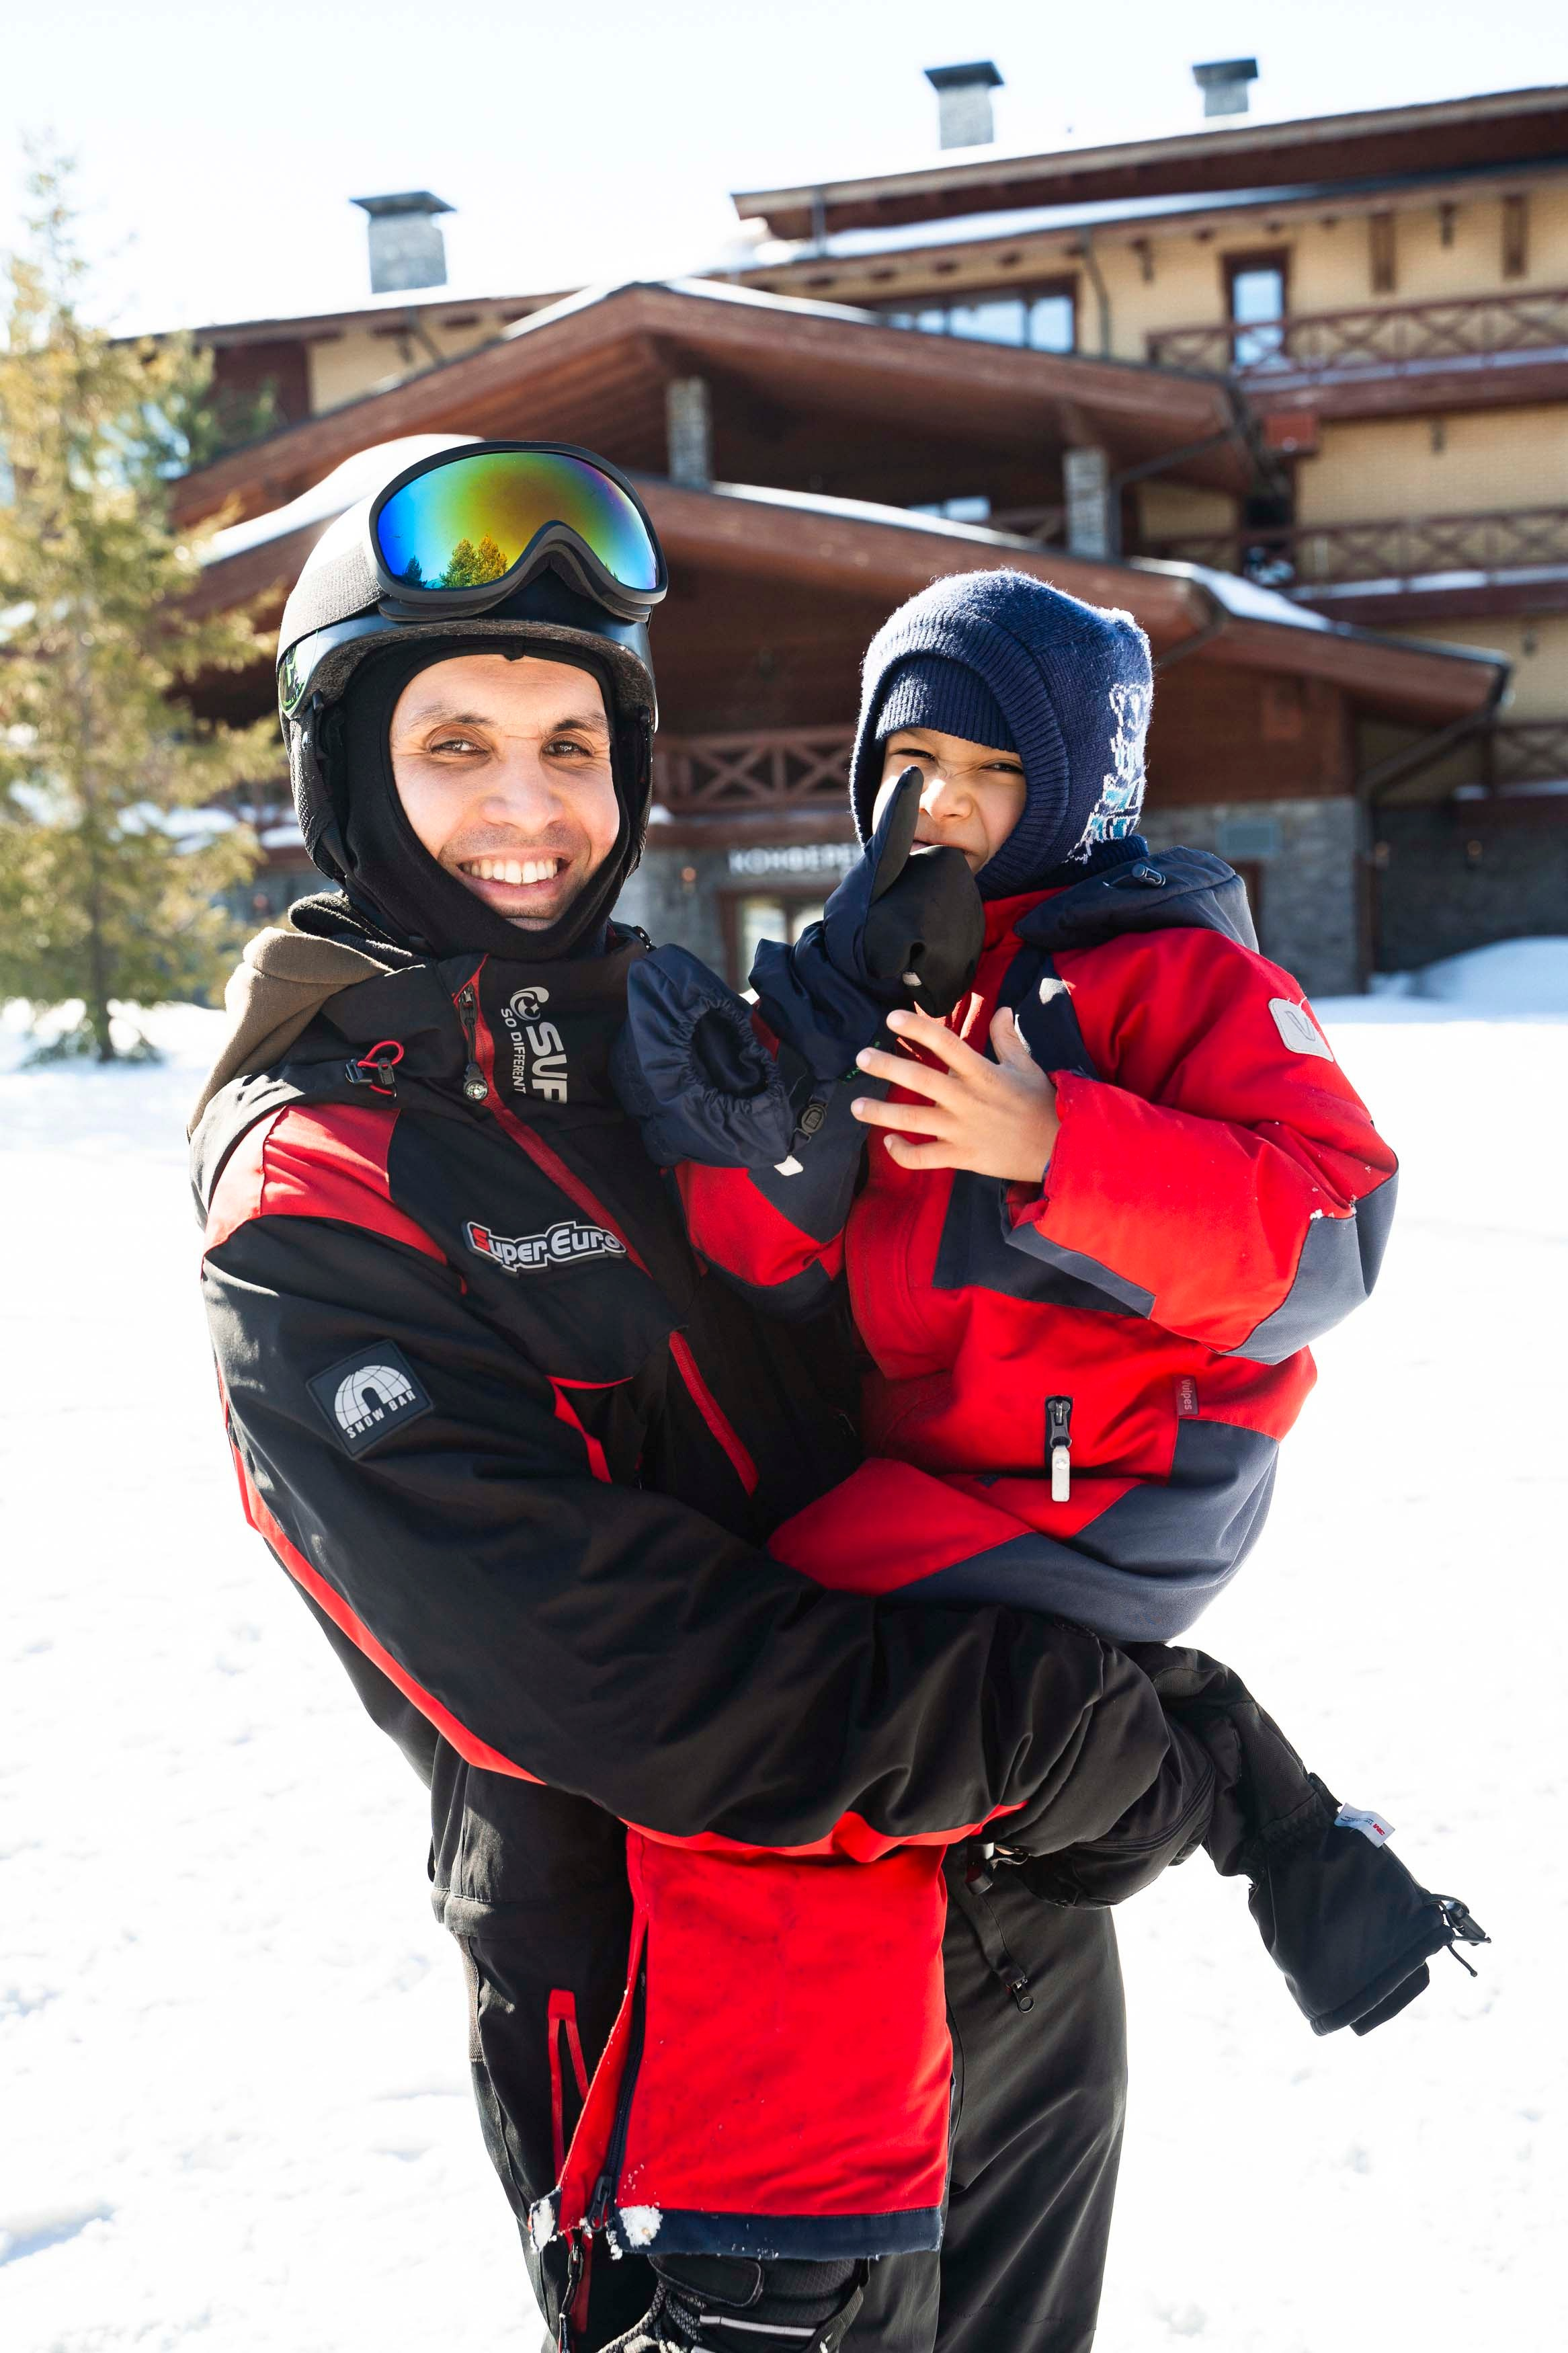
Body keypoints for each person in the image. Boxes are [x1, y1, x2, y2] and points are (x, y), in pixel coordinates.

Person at [190, 444, 1252, 2353]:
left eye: (572, 745)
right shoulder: (318, 1192)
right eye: (456, 748)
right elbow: (614, 1671)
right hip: (709, 2052)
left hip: (1000, 1951)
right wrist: (1046, 1726)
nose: (528, 807)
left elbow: (944, 1379)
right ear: (346, 763)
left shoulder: (681, 1045)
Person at [602, 568, 1485, 2348]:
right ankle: (1243, 1790)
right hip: (951, 1475)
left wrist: (1052, 1135)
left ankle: (769, 2224)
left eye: (988, 768)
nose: (934, 804)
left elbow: (1334, 1226)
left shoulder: (1172, 960)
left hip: (1117, 1479)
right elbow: (773, 1264)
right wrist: (766, 1111)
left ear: (1080, 784)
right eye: (904, 759)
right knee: (767, 1637)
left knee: (758, 1705)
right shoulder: (872, 958)